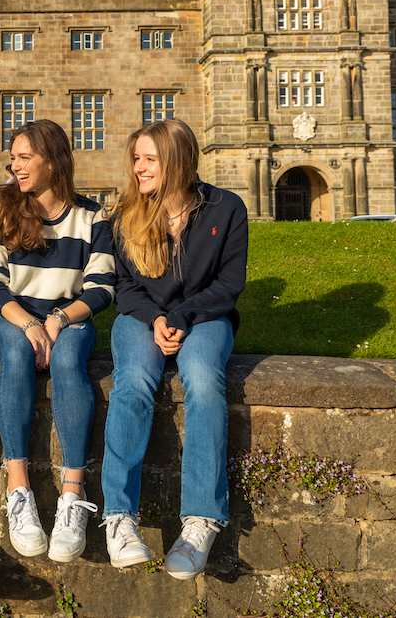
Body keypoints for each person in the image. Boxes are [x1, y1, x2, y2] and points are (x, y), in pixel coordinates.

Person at [100, 118, 247, 579]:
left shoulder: (226, 208)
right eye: (136, 159)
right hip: (142, 317)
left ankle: (201, 520)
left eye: (150, 159)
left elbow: (228, 284)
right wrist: (157, 317)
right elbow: (124, 285)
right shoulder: (125, 213)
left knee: (202, 379)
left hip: (205, 317)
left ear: (178, 161)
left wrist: (182, 316)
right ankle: (119, 518)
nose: (138, 168)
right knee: (132, 383)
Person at [0, 120, 114, 563]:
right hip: (11, 317)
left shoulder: (91, 216)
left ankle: (73, 493)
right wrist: (29, 324)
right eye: (12, 158)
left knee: (70, 359)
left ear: (52, 162)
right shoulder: (0, 209)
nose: (14, 166)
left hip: (69, 318)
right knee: (17, 354)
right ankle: (19, 488)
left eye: (24, 157)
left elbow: (101, 287)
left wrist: (57, 319)